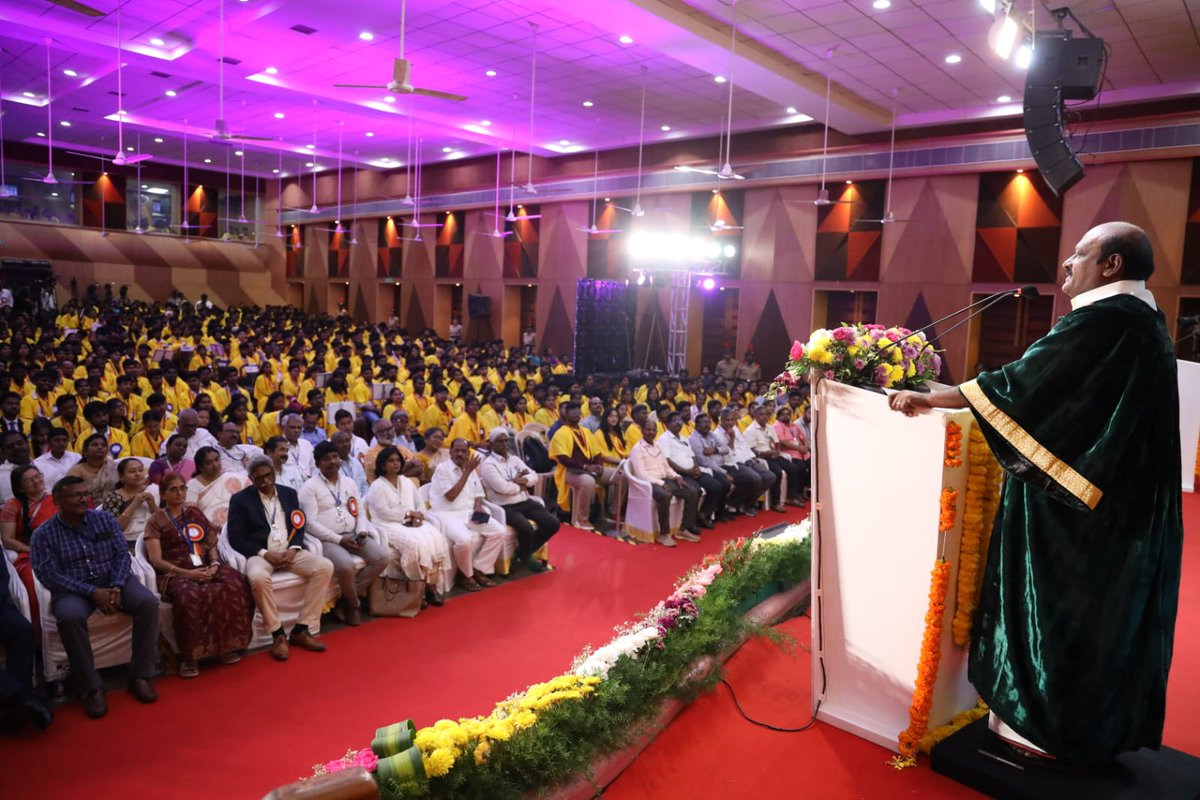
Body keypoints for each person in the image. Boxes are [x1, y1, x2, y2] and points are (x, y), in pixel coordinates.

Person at [889, 221, 1183, 765]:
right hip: (1120, 510)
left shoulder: (1107, 320)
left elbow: (1027, 385)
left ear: (1111, 265)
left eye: (1080, 254)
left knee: (1060, 612)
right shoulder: (1143, 321)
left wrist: (936, 399)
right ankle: (1082, 729)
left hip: (1079, 518)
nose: (1068, 264)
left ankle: (1044, 728)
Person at [29, 476, 160, 719]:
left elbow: (122, 555)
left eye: (85, 494)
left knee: (147, 603)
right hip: (73, 588)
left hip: (113, 581)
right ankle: (91, 687)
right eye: (75, 495)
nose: (83, 499)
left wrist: (117, 586)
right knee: (68, 616)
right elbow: (49, 575)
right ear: (57, 500)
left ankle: (140, 675)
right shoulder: (44, 534)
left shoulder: (105, 520)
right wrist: (92, 592)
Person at [143, 473, 253, 678]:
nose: (179, 493)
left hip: (204, 566)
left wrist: (215, 564)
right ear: (163, 494)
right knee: (190, 597)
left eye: (182, 488)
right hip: (175, 573)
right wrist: (189, 574)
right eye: (173, 489)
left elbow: (210, 542)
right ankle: (190, 656)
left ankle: (228, 646)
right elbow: (157, 560)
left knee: (234, 583)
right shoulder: (156, 521)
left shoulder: (194, 512)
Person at [226, 456, 333, 661]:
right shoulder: (240, 500)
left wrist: (294, 548)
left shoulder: (289, 493)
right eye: (259, 478)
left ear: (274, 474)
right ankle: (277, 634)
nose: (265, 481)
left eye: (268, 475)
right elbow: (236, 538)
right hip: (262, 554)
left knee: (325, 567)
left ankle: (301, 629)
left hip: (290, 551)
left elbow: (298, 524)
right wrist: (266, 554)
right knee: (257, 577)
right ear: (251, 479)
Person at [299, 442, 389, 626]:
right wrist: (340, 540)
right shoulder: (309, 487)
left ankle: (344, 601)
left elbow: (360, 511)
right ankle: (354, 605)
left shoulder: (349, 482)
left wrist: (362, 531)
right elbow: (309, 523)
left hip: (354, 533)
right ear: (317, 464)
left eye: (334, 457)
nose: (332, 462)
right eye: (326, 459)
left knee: (383, 556)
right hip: (328, 539)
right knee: (346, 565)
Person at [364, 445, 454, 606]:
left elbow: (419, 503)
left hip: (410, 522)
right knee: (414, 545)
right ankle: (418, 589)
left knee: (435, 537)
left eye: (398, 460)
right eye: (391, 461)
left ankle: (431, 586)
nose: (395, 463)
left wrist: (419, 515)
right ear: (382, 465)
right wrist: (408, 514)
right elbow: (384, 512)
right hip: (387, 525)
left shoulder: (406, 481)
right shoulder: (377, 486)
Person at [428, 438, 511, 592]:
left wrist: (478, 506)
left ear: (468, 453)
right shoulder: (442, 469)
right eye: (456, 451)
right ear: (450, 452)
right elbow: (451, 495)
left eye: (463, 451)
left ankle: (478, 568)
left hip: (468, 512)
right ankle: (466, 575)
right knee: (463, 540)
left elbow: (478, 492)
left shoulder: (469, 469)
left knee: (499, 531)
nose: (460, 454)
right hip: (447, 514)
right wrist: (467, 472)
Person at [479, 428, 559, 572]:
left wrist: (522, 480)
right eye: (499, 442)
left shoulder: (515, 459)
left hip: (523, 500)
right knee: (526, 528)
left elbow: (534, 476)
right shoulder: (488, 465)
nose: (504, 444)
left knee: (553, 523)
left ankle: (523, 552)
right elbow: (502, 488)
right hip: (504, 505)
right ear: (491, 444)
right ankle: (526, 555)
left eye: (506, 441)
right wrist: (521, 486)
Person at [1, 464, 57, 633]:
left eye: (37, 476)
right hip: (29, 555)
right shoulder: (13, 505)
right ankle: (39, 636)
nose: (36, 481)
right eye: (29, 480)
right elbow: (8, 539)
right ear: (20, 487)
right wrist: (31, 550)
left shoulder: (57, 499)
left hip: (61, 552)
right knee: (32, 581)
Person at [628, 418, 700, 547]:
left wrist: (677, 476)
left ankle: (683, 529)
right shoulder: (637, 449)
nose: (651, 432)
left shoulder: (657, 446)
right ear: (642, 431)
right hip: (649, 483)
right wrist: (661, 484)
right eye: (648, 429)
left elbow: (666, 468)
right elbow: (641, 475)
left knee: (692, 491)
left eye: (654, 429)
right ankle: (664, 534)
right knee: (665, 495)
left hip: (664, 479)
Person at [549, 402, 616, 531]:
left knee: (620, 476)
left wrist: (599, 465)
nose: (576, 413)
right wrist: (585, 466)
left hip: (590, 469)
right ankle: (581, 519)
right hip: (570, 471)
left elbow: (597, 452)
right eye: (572, 410)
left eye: (578, 410)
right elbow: (563, 459)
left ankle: (613, 511)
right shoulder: (561, 433)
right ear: (565, 414)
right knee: (588, 481)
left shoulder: (586, 432)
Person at [658, 411, 731, 528]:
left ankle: (702, 514)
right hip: (680, 473)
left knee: (716, 486)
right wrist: (687, 472)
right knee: (696, 491)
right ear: (667, 424)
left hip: (694, 470)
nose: (678, 423)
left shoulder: (683, 438)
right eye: (675, 421)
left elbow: (692, 456)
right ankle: (689, 524)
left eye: (680, 421)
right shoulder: (664, 439)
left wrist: (696, 468)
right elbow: (667, 461)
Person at [743, 404, 803, 511]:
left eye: (766, 414)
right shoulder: (750, 430)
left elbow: (777, 442)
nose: (765, 417)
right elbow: (751, 450)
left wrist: (777, 450)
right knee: (777, 472)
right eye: (761, 414)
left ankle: (791, 497)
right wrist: (767, 453)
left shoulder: (769, 427)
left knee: (794, 468)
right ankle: (775, 502)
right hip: (762, 458)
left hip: (774, 454)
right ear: (755, 415)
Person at [717, 408, 774, 515]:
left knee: (770, 476)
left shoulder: (736, 429)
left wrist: (752, 457)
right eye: (727, 420)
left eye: (732, 420)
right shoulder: (716, 435)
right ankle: (736, 503)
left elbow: (745, 445)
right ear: (721, 420)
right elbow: (727, 454)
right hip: (731, 464)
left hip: (747, 459)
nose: (730, 423)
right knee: (755, 478)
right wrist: (732, 438)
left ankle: (747, 502)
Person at [186, 447, 249, 534]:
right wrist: (215, 528)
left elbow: (252, 498)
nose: (215, 465)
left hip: (242, 526)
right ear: (200, 467)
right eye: (209, 463)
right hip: (210, 532)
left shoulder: (234, 478)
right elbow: (191, 513)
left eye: (217, 460)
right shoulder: (192, 485)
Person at [98, 458, 160, 544]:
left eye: (141, 470)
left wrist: (153, 506)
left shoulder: (155, 490)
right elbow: (113, 529)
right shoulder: (113, 498)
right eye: (132, 471)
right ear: (121, 477)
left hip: (156, 538)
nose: (138, 474)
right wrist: (134, 505)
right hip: (126, 542)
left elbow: (168, 520)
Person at [65, 433, 116, 500]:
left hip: (112, 505)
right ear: (85, 451)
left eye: (103, 445)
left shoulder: (113, 467)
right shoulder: (76, 470)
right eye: (95, 445)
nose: (100, 447)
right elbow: (70, 493)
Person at [280, 413, 315, 480]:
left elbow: (313, 467)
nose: (296, 430)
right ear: (283, 427)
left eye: (299, 428)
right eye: (292, 427)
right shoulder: (278, 446)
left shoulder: (306, 444)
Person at [0, 431, 31, 505]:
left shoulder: (45, 466)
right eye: (10, 446)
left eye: (20, 443)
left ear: (28, 444)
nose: (16, 447)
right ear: (3, 452)